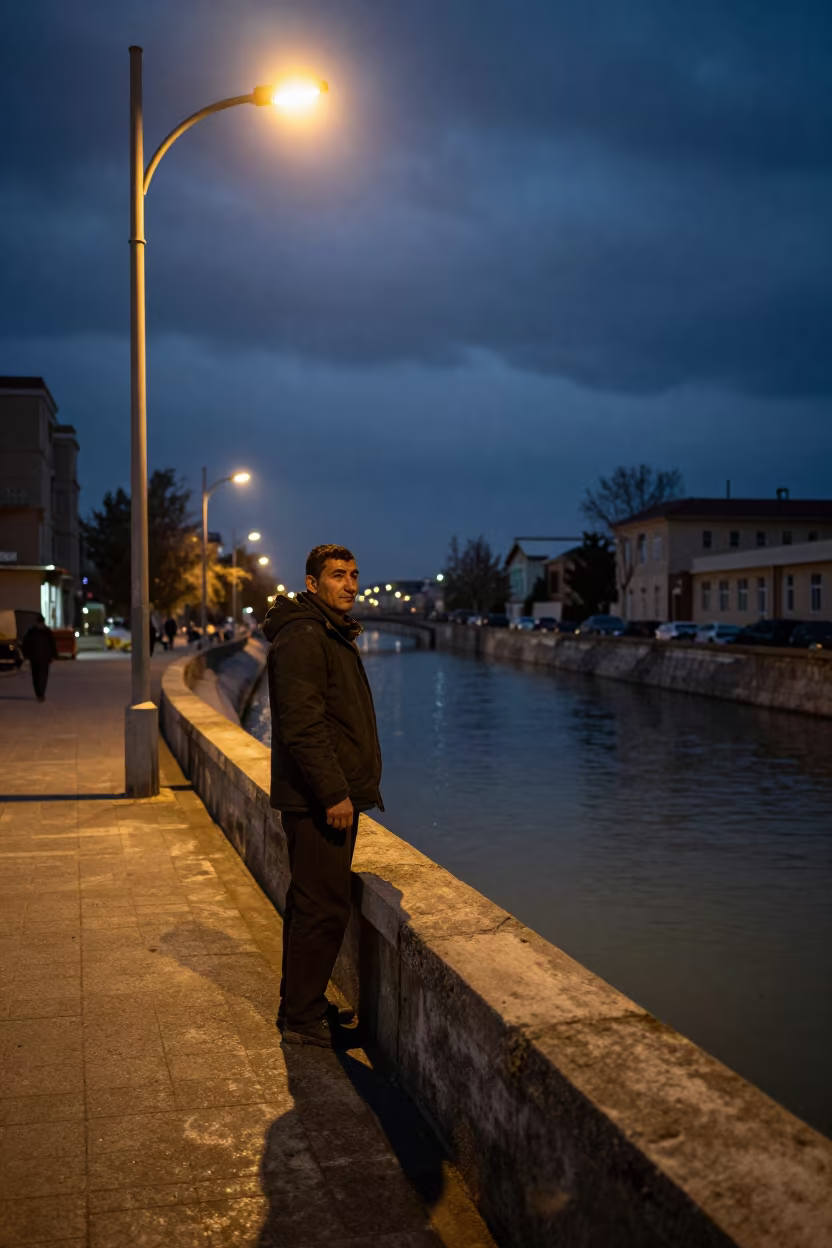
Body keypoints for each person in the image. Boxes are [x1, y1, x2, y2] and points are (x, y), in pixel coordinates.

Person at [263, 544, 383, 1049]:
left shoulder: (326, 631)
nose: (350, 584)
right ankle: (304, 1021)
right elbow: (303, 725)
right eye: (338, 575)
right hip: (318, 802)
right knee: (323, 909)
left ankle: (300, 1006)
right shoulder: (306, 636)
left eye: (353, 575)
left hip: (321, 797)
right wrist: (335, 793)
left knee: (309, 904)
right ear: (312, 584)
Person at [21, 613, 58, 702]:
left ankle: (38, 693)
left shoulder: (31, 632)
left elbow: (25, 644)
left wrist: (26, 655)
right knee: (43, 676)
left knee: (35, 676)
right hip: (45, 657)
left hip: (34, 657)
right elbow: (52, 644)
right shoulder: (47, 632)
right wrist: (53, 655)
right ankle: (41, 693)